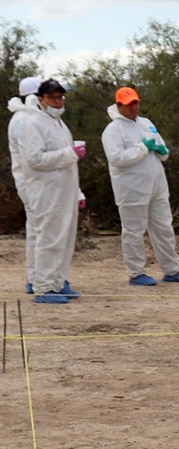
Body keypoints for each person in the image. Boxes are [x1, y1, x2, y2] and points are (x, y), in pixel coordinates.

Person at [100, 87, 179, 286]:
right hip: (131, 188)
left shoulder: (146, 123)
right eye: (128, 104)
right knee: (134, 230)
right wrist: (142, 148)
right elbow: (117, 158)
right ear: (119, 106)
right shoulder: (113, 130)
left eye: (135, 103)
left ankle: (172, 269)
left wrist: (162, 150)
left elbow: (163, 149)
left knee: (163, 227)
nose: (133, 107)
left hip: (157, 185)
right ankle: (136, 273)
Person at [20, 79, 85, 304]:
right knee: (49, 238)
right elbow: (34, 159)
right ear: (40, 99)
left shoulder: (58, 123)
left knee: (64, 238)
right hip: (47, 192)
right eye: (52, 98)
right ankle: (44, 287)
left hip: (63, 191)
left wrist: (77, 192)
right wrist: (69, 153)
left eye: (60, 97)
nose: (57, 102)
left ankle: (57, 283)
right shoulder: (34, 123)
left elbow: (67, 159)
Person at [7, 76, 43, 294]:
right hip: (30, 182)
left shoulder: (29, 117)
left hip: (36, 181)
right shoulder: (21, 120)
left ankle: (38, 276)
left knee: (38, 228)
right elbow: (30, 155)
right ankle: (36, 278)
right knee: (39, 229)